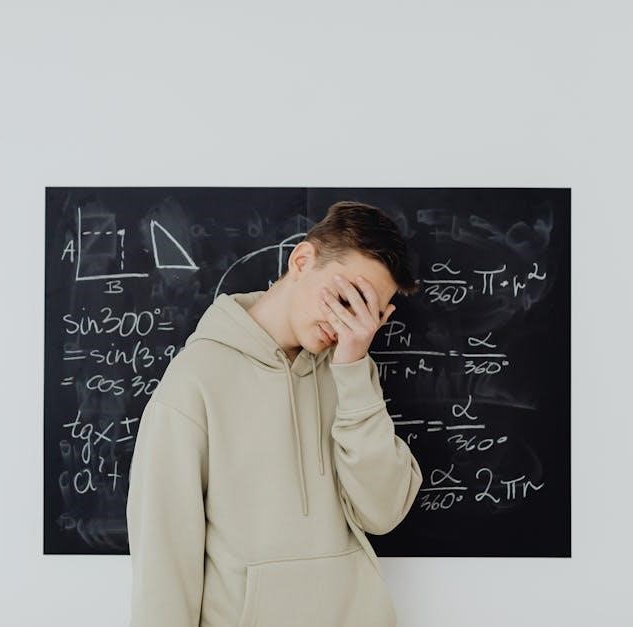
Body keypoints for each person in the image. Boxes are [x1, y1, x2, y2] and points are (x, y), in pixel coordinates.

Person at [126, 200, 423, 626]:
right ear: (302, 260)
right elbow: (164, 559)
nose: (349, 324)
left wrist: (354, 371)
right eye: (345, 299)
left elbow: (383, 513)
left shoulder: (352, 370)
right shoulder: (196, 381)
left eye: (368, 314)